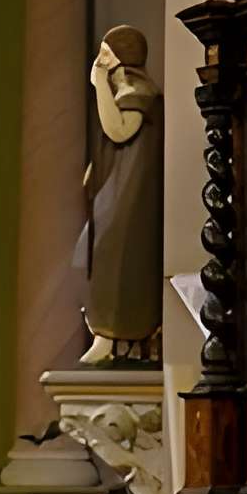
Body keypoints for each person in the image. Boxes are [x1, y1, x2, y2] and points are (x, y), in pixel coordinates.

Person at [80, 26, 164, 364]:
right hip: (121, 196)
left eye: (105, 55)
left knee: (119, 262)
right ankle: (111, 336)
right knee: (107, 259)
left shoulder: (138, 91)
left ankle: (112, 335)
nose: (99, 63)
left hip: (132, 202)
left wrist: (100, 82)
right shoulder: (129, 91)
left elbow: (118, 130)